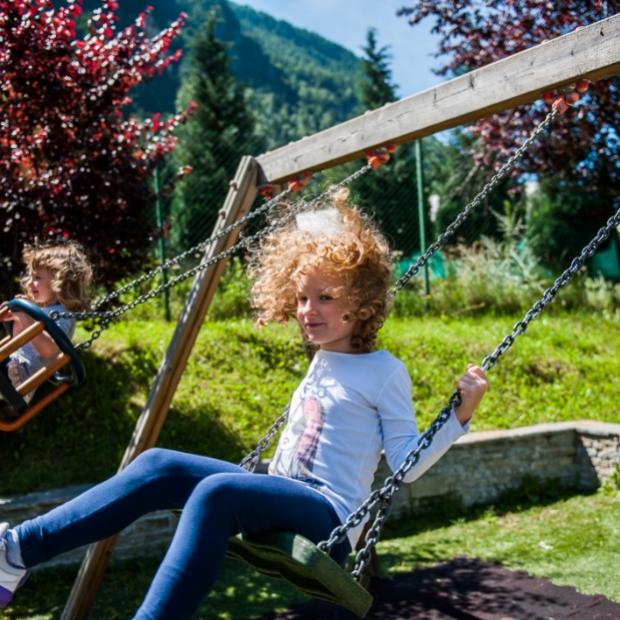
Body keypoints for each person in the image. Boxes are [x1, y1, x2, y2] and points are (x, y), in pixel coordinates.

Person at [0, 191, 489, 618]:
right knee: (158, 465)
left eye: (324, 297)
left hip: (330, 518)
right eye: (301, 298)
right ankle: (17, 551)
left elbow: (405, 464)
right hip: (282, 489)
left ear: (359, 301)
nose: (307, 311)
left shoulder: (384, 371)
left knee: (217, 494)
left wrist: (459, 415)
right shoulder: (322, 358)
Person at [0, 241, 92, 419]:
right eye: (30, 276)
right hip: (10, 368)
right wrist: (12, 318)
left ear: (60, 281)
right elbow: (20, 340)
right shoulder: (41, 312)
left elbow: (49, 349)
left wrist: (25, 317)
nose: (30, 282)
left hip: (17, 377)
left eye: (37, 277)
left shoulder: (62, 315)